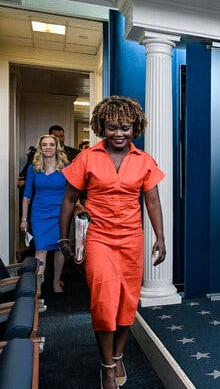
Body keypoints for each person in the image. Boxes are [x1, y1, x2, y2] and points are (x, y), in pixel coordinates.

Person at [59, 96, 166, 389]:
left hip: (131, 239)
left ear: (135, 128)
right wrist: (64, 236)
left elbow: (153, 201)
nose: (118, 134)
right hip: (100, 239)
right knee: (104, 304)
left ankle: (118, 354)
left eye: (125, 128)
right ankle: (107, 365)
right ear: (100, 127)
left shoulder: (144, 161)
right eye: (111, 128)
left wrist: (160, 237)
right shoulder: (88, 158)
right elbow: (69, 200)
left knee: (126, 304)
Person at [20, 135, 69, 293]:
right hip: (39, 214)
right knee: (40, 249)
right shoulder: (33, 168)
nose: (48, 147)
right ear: (40, 148)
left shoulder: (66, 168)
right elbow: (27, 196)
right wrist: (24, 219)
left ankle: (56, 282)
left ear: (57, 147)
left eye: (52, 144)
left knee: (59, 249)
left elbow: (72, 193)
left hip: (60, 214)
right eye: (44, 145)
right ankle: (38, 288)